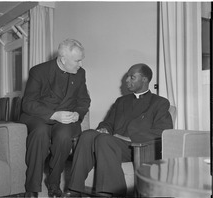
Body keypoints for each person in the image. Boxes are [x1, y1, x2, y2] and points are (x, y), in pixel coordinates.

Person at [64, 63, 173, 197]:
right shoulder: (121, 101)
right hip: (112, 142)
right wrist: (103, 129)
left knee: (104, 140)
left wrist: (130, 138)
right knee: (87, 135)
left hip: (136, 147)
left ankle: (112, 193)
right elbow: (108, 123)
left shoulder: (159, 103)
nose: (127, 80)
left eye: (132, 77)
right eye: (127, 77)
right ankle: (75, 189)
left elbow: (164, 131)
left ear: (144, 79)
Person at [20, 39, 91, 198]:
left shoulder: (80, 73)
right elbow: (28, 103)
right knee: (40, 133)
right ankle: (32, 187)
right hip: (38, 115)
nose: (80, 64)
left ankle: (53, 183)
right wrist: (53, 115)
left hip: (64, 119)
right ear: (63, 59)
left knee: (64, 136)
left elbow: (84, 100)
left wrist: (77, 114)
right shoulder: (38, 71)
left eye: (81, 60)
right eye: (77, 60)